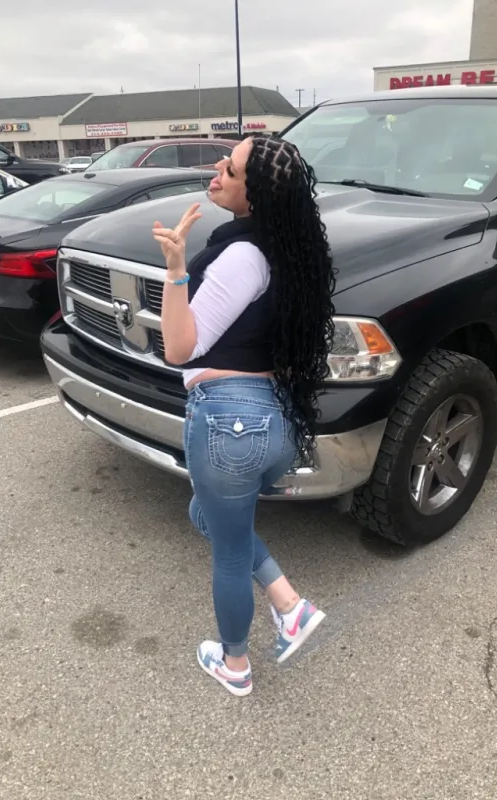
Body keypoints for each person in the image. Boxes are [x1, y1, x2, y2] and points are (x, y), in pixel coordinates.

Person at [152, 134, 336, 697]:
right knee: (205, 515)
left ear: (253, 194)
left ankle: (235, 665)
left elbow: (179, 348)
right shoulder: (285, 248)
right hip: (270, 420)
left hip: (230, 422)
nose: (218, 167)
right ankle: (289, 605)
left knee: (229, 554)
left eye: (230, 168)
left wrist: (176, 269)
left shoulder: (242, 256)